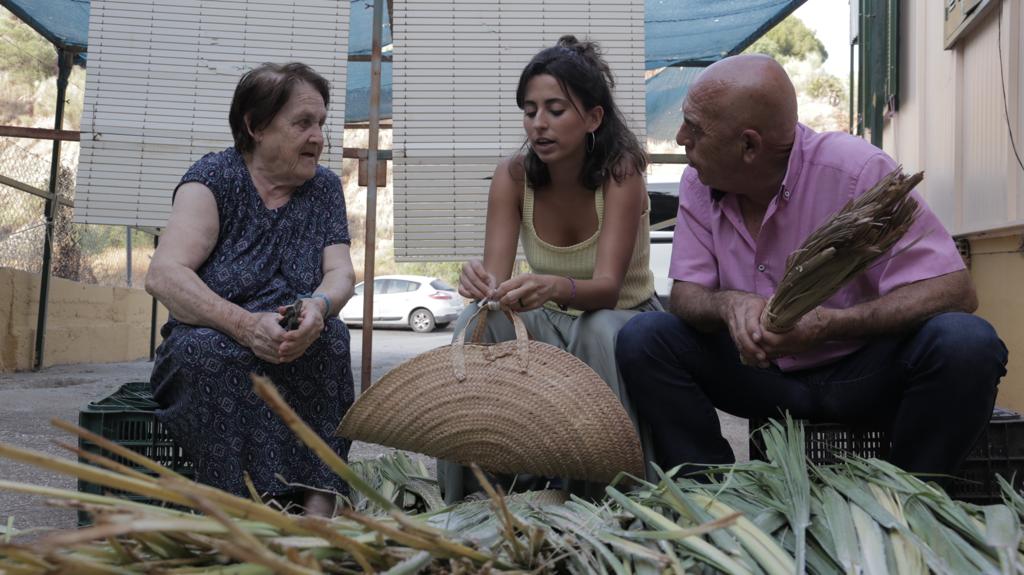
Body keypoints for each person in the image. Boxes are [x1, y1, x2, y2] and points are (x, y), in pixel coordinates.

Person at [615, 54, 1008, 480]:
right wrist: (732, 306)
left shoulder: (857, 171)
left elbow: (955, 290)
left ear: (749, 146)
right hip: (761, 375)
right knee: (645, 338)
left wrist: (831, 324)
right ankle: (712, 499)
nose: (679, 138)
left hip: (860, 371)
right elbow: (688, 296)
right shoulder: (701, 180)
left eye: (695, 127)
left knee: (966, 343)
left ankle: (909, 497)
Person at [438, 35, 659, 502]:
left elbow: (607, 288)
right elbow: (494, 287)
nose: (538, 124)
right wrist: (479, 284)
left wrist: (554, 285)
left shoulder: (622, 171)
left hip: (624, 318)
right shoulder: (513, 176)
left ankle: (608, 495)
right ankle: (469, 496)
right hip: (552, 319)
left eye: (555, 110)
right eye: (530, 110)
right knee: (473, 323)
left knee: (595, 331)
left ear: (593, 117)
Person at [146, 62, 356, 516]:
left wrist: (319, 306)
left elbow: (341, 273)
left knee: (333, 339)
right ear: (256, 126)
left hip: (291, 337)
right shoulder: (214, 179)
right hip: (217, 335)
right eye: (303, 123)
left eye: (321, 123)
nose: (318, 136)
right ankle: (240, 508)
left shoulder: (322, 189)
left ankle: (319, 511)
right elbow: (164, 274)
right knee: (208, 351)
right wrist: (244, 326)